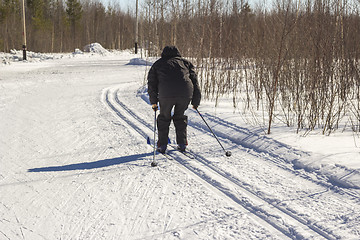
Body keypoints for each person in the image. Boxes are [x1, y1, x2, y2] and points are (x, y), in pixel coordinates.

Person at [147, 46, 201, 153]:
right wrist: (196, 101)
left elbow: (152, 84)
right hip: (185, 94)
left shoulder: (158, 64)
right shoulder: (186, 63)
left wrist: (154, 102)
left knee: (164, 118)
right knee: (180, 117)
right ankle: (182, 143)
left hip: (166, 95)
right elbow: (195, 82)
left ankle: (162, 145)